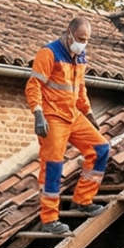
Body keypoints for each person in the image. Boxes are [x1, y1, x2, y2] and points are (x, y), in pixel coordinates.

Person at [26, 16, 109, 235]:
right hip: (52, 116)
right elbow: (33, 85)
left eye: (87, 40)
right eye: (81, 38)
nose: (83, 43)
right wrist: (38, 114)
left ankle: (83, 199)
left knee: (100, 149)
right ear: (69, 33)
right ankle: (50, 219)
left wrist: (89, 113)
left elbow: (80, 89)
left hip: (72, 115)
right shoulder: (49, 53)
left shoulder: (81, 56)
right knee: (53, 164)